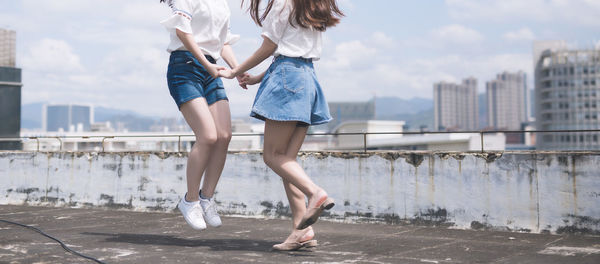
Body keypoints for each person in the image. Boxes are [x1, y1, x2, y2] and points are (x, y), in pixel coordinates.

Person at [219, 0, 343, 251]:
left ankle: (315, 193)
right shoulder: (311, 6)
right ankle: (302, 231)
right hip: (306, 78)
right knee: (288, 161)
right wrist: (256, 78)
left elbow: (270, 47)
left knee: (273, 155)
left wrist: (236, 70)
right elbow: (291, 54)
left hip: (287, 78)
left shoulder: (284, 4)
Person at [160, 0, 247, 231]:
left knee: (224, 135)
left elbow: (222, 43)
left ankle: (207, 197)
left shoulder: (222, 4)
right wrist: (206, 65)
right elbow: (183, 32)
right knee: (208, 136)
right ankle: (190, 200)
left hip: (211, 69)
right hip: (185, 67)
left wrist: (238, 70)